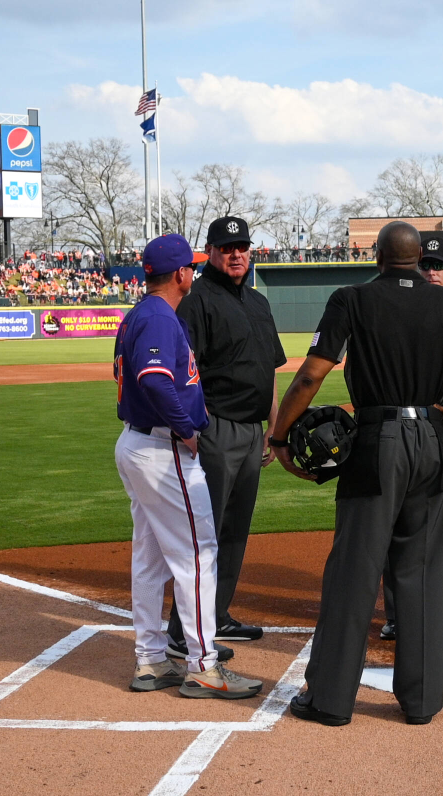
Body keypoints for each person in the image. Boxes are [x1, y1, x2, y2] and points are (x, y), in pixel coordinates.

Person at [271, 221, 443, 726]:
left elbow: (312, 373)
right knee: (425, 573)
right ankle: (423, 700)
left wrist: (280, 436)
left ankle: (330, 700)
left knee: (354, 570)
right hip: (433, 440)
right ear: (414, 260)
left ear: (378, 256)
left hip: (377, 439)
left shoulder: (351, 298)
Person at [112, 233, 263, 700]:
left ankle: (153, 660)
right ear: (180, 274)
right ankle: (203, 666)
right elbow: (154, 379)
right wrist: (186, 428)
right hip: (162, 450)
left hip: (140, 444)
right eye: (191, 268)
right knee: (198, 556)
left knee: (150, 557)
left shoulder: (142, 313)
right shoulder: (159, 316)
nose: (194, 274)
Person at [163, 216, 285, 655]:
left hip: (253, 431)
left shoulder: (258, 303)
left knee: (235, 529)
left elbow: (269, 371)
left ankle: (218, 614)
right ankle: (182, 629)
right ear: (211, 253)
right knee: (205, 533)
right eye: (227, 247)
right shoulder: (197, 302)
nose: (237, 254)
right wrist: (192, 427)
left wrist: (274, 427)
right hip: (216, 429)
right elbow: (183, 371)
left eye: (242, 247)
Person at [379, 236, 443, 640]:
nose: (432, 272)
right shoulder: (407, 307)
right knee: (400, 518)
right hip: (409, 425)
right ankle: (397, 610)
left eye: (439, 265)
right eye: (426, 265)